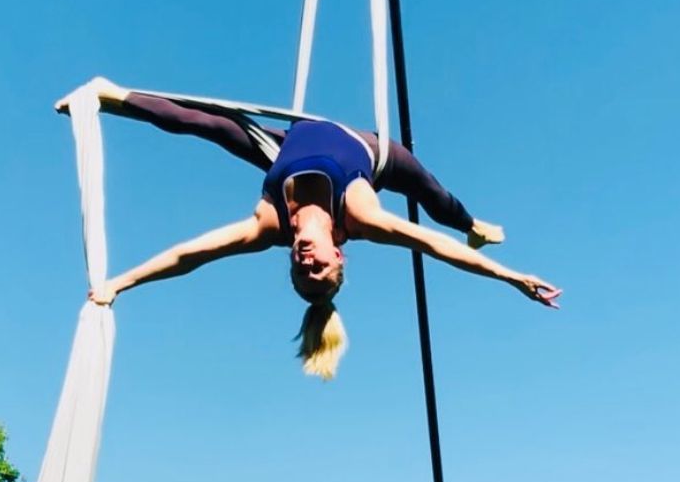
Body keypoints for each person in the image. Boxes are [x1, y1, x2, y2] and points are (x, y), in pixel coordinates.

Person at [56, 77, 560, 379]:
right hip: (376, 157)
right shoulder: (361, 217)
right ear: (340, 254)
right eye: (320, 269)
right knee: (435, 201)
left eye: (301, 273)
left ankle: (110, 95)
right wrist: (512, 277)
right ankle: (474, 222)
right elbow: (435, 246)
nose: (306, 262)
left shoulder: (267, 225)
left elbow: (190, 256)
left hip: (284, 151)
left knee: (208, 125)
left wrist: (120, 283)